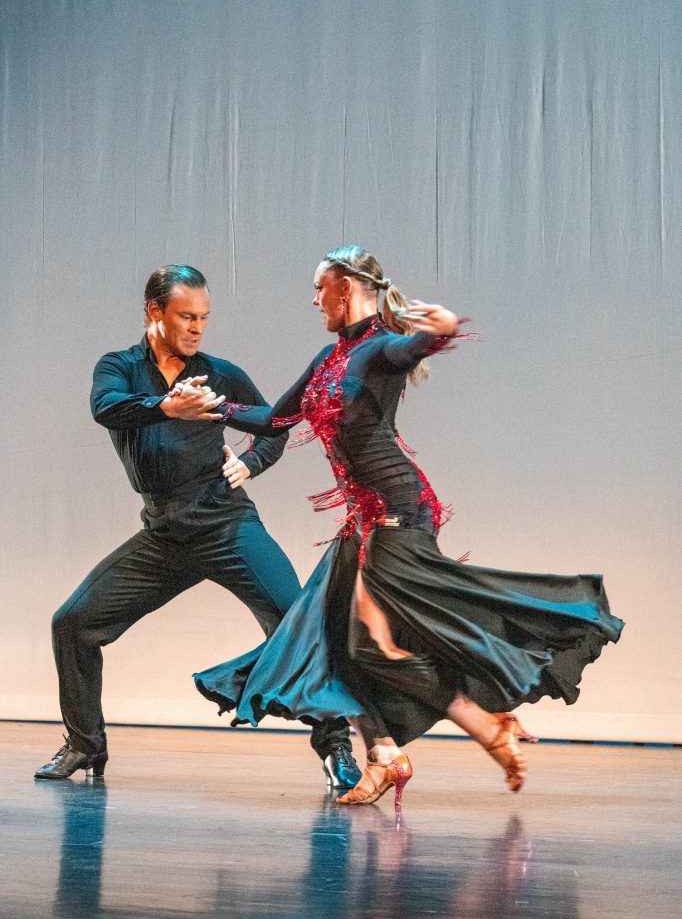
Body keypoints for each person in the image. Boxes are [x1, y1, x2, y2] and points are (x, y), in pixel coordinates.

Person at [192, 246, 624, 810]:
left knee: (373, 642)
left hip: (399, 511)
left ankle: (487, 728)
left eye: (319, 287)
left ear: (345, 288)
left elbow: (410, 345)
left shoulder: (378, 350)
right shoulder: (330, 356)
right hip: (363, 520)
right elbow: (276, 417)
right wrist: (210, 407)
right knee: (336, 642)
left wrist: (438, 332)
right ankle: (386, 756)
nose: (313, 298)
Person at [35, 265, 360, 789]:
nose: (196, 328)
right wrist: (166, 405)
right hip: (163, 536)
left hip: (226, 526)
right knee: (72, 623)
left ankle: (336, 746)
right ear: (153, 312)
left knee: (295, 623)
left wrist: (251, 463)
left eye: (203, 318)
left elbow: (277, 422)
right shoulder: (117, 367)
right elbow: (107, 408)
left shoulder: (217, 372)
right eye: (186, 316)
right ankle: (84, 745)